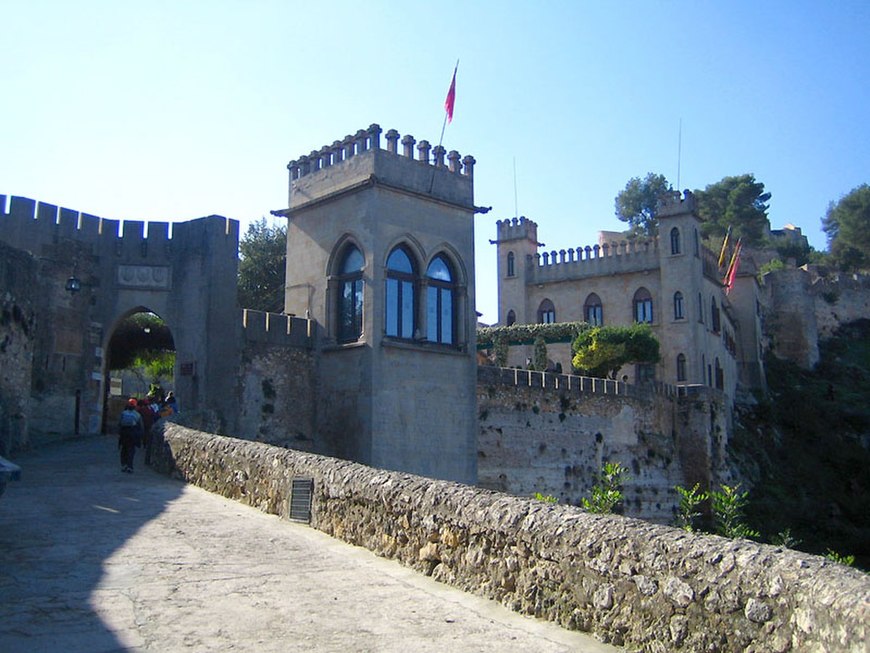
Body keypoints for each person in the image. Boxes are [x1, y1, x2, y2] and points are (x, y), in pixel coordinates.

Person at [118, 398, 144, 473]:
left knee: (124, 449)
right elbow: (141, 426)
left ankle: (124, 465)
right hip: (133, 433)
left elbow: (119, 423)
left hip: (124, 433)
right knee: (131, 450)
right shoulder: (137, 415)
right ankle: (130, 466)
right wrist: (141, 436)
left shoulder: (123, 413)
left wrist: (119, 433)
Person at [136, 397, 156, 466]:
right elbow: (153, 415)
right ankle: (145, 444)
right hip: (149, 423)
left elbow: (138, 415)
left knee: (142, 433)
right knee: (146, 434)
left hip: (143, 423)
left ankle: (142, 443)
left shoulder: (141, 409)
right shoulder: (150, 409)